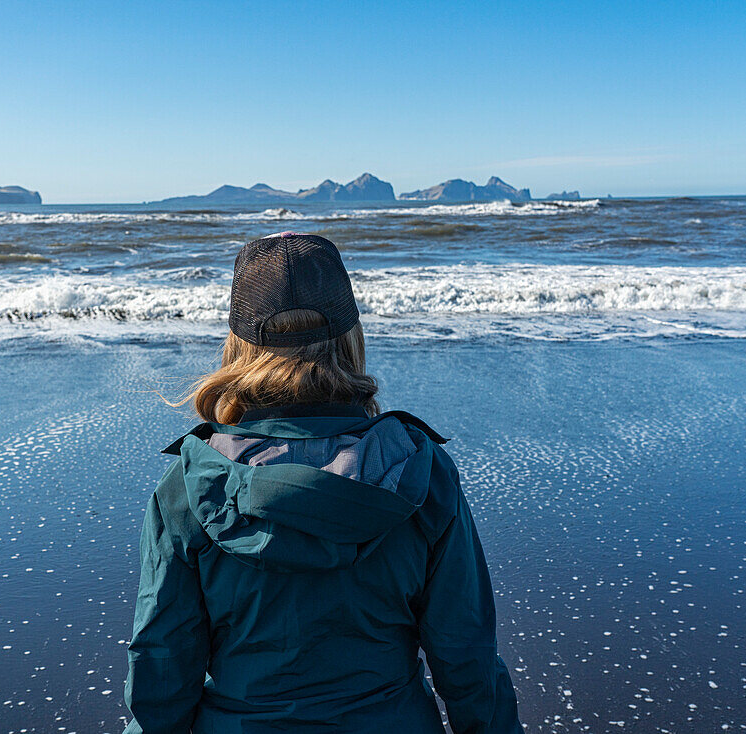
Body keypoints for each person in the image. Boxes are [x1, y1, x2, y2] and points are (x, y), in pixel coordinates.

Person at [124, 232, 523, 733]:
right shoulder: (418, 470)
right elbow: (467, 657)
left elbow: (161, 670)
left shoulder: (190, 485)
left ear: (238, 345)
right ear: (350, 337)